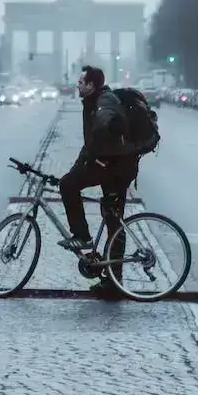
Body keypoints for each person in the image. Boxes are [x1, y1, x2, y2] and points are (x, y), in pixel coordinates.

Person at [58, 65, 139, 294]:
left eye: (81, 82)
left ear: (91, 86)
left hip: (116, 169)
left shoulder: (104, 101)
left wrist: (105, 126)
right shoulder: (93, 101)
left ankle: (82, 236)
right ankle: (113, 282)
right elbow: (90, 144)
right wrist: (78, 166)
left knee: (68, 185)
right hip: (111, 165)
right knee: (112, 219)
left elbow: (105, 119)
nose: (77, 85)